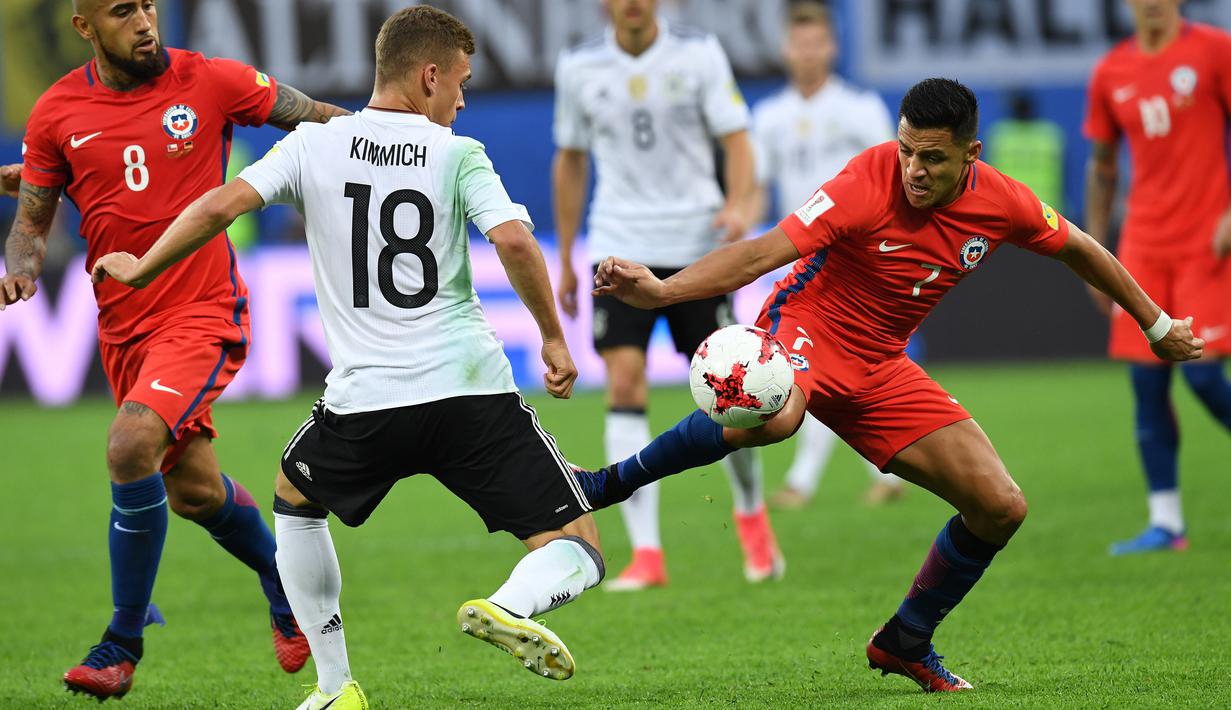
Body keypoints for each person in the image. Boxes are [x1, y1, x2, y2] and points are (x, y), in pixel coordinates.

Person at [572, 78, 1203, 692]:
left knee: (1001, 506)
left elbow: (1082, 248)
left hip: (880, 366)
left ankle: (905, 638)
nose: (914, 169)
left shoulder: (1003, 200)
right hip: (809, 329)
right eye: (906, 150)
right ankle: (605, 484)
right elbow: (764, 252)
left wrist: (1156, 322)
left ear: (970, 155)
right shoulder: (865, 181)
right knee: (776, 418)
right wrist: (664, 290)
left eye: (932, 157)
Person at [94, 7, 609, 708]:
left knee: (293, 501)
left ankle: (336, 686)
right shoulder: (459, 153)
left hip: (364, 402)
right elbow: (516, 242)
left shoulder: (314, 144)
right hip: (469, 393)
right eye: (458, 82)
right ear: (428, 76)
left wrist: (145, 266)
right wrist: (551, 336)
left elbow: (218, 208)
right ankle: (511, 606)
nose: (460, 99)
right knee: (576, 544)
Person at [0, 0, 348, 700]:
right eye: (124, 11)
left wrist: (406, 135)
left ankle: (121, 642)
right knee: (191, 491)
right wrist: (22, 266)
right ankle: (283, 588)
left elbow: (319, 119)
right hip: (123, 330)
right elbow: (31, 220)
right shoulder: (56, 112)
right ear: (84, 27)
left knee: (130, 444)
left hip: (202, 313)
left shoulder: (212, 81)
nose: (145, 22)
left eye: (150, 5)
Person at [553, 0, 781, 590]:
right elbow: (571, 161)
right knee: (624, 383)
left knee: (734, 392)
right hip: (619, 246)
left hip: (696, 244)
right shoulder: (578, 67)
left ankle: (753, 522)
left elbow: (737, 140)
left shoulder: (699, 52)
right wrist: (569, 255)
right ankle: (647, 554)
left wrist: (736, 206)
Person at [1084, 0, 1231, 555]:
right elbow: (1102, 168)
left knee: (1202, 375)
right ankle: (1166, 524)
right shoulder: (1111, 71)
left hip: (1203, 246)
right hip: (1142, 247)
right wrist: (1097, 256)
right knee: (1146, 383)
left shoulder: (1215, 50)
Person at [750, 1, 904, 510]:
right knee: (837, 366)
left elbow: (895, 179)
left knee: (813, 363)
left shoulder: (860, 109)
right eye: (800, 43)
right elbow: (758, 188)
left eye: (817, 42)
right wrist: (736, 221)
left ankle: (803, 482)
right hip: (800, 250)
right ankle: (886, 473)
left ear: (832, 48)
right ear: (786, 50)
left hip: (854, 254)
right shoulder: (769, 116)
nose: (808, 53)